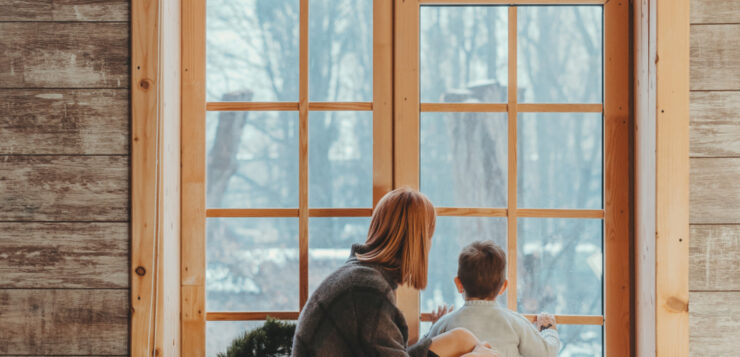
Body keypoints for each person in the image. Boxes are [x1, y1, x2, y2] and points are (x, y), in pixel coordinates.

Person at [292, 188, 500, 357]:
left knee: (462, 338)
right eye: (428, 237)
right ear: (417, 242)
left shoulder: (359, 275)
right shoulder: (368, 290)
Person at [425, 241, 560, 357]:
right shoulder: (515, 322)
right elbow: (546, 353)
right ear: (503, 287)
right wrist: (548, 330)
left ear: (459, 284)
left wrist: (434, 327)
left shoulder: (444, 324)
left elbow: (422, 351)